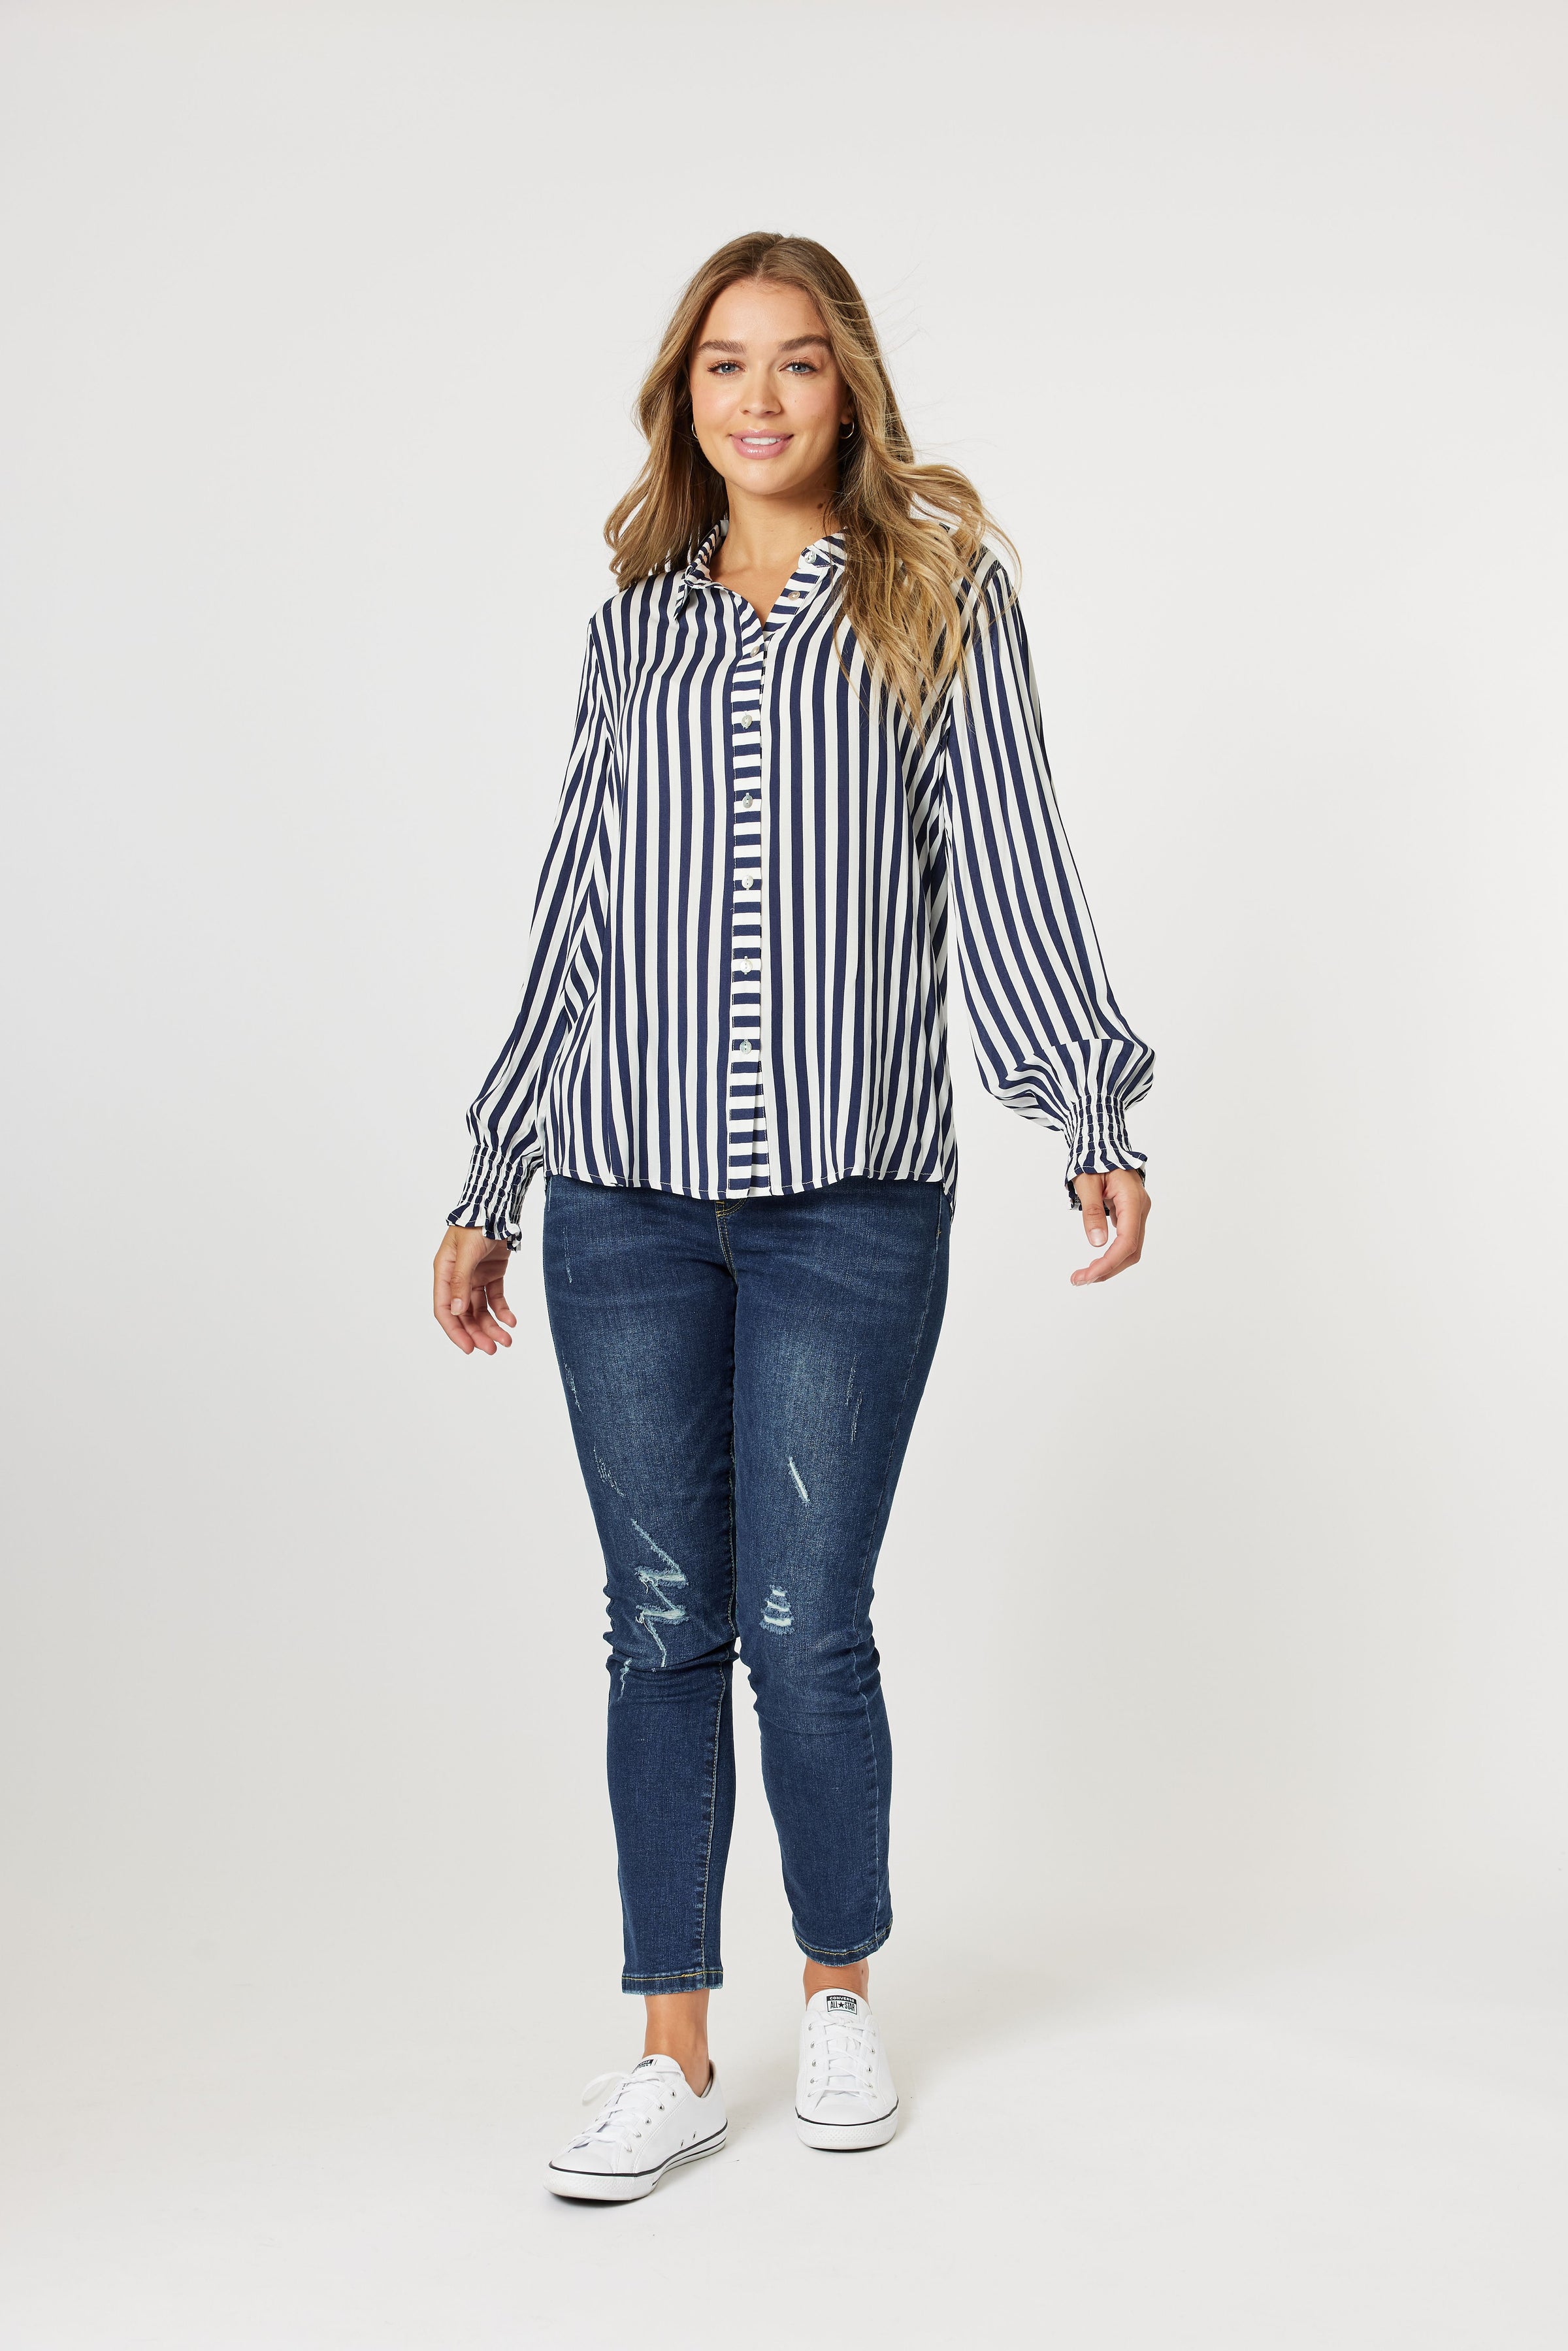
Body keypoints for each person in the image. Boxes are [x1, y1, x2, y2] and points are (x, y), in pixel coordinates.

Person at [431, 231, 1152, 2202]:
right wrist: (494, 1172)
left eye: (799, 362)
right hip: (624, 1198)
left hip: (854, 1201)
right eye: (725, 365)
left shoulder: (937, 598)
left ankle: (838, 1999)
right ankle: (671, 2049)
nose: (760, 398)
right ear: (684, 395)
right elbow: (574, 911)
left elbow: (1010, 868)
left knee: (803, 1622)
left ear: (852, 389)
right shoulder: (638, 629)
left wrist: (1086, 1106)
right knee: (661, 1625)